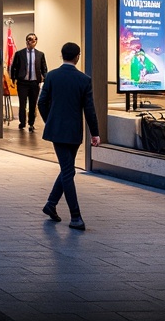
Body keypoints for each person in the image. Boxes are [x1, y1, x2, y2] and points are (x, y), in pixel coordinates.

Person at [37, 41, 100, 231]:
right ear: (77, 57)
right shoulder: (84, 79)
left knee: (67, 170)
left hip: (57, 131)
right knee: (68, 170)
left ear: (61, 55)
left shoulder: (52, 76)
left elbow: (41, 103)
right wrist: (95, 133)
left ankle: (51, 204)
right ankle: (75, 216)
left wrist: (51, 121)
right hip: (74, 132)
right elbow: (89, 110)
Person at [10, 33, 47, 132]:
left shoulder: (40, 54)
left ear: (36, 42)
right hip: (22, 82)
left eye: (33, 40)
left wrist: (45, 78)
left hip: (34, 83)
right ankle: (22, 122)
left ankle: (31, 123)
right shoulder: (19, 53)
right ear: (26, 41)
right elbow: (14, 67)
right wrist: (13, 78)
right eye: (29, 39)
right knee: (22, 103)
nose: (31, 42)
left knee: (33, 104)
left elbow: (44, 68)